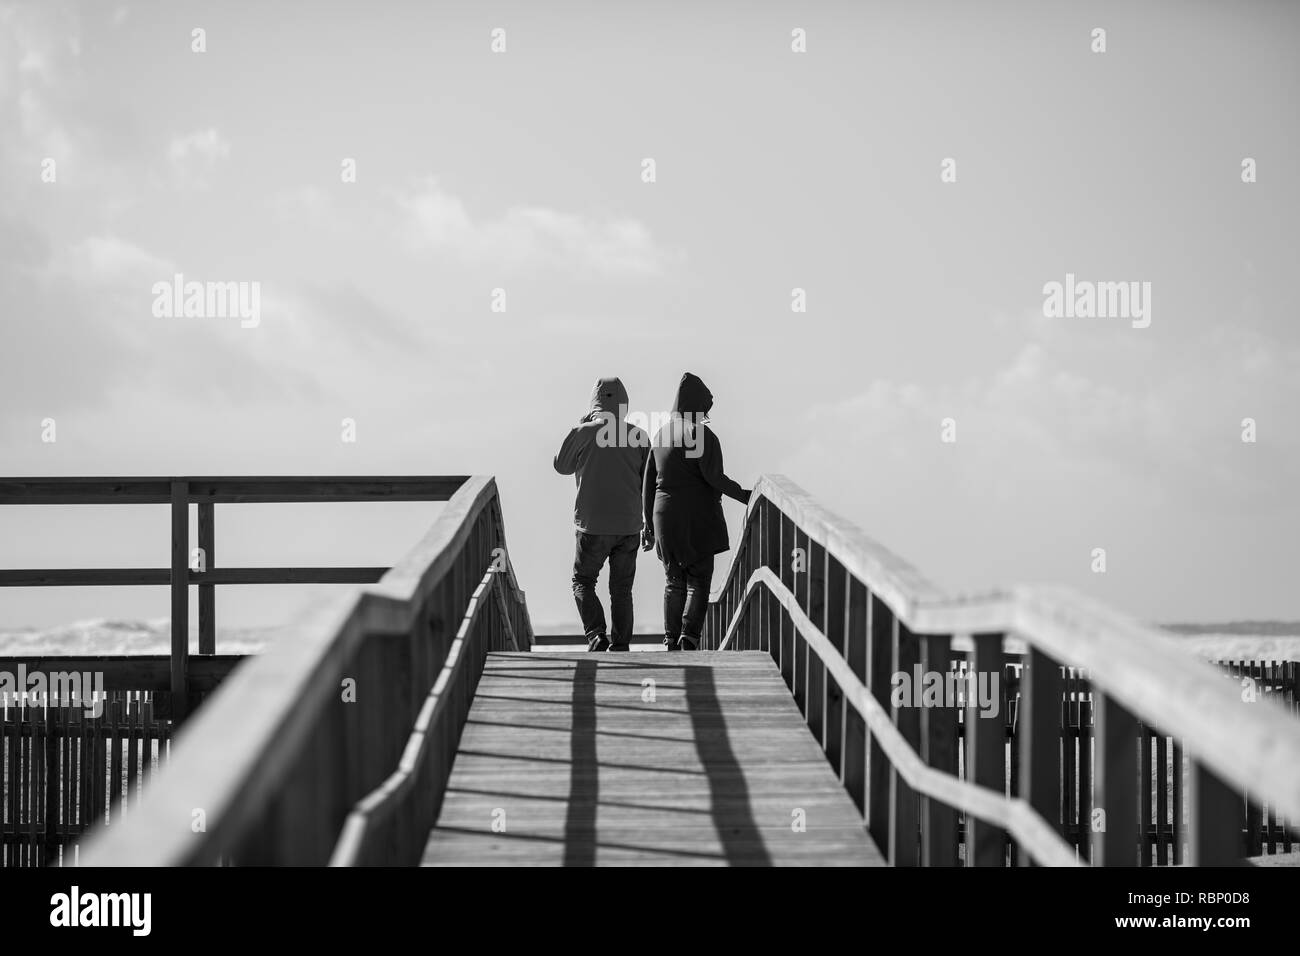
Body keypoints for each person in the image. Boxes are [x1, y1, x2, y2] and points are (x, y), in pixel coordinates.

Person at [642, 372, 751, 651]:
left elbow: (648, 483)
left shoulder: (661, 434)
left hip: (664, 515)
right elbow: (714, 477)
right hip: (696, 518)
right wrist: (746, 497)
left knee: (673, 581)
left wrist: (648, 525)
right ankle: (688, 637)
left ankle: (670, 638)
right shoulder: (699, 434)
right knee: (699, 579)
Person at [554, 377, 650, 652]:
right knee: (622, 590)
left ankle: (596, 634)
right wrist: (650, 526)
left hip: (591, 524)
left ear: (595, 402)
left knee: (583, 580)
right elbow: (649, 481)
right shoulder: (639, 435)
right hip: (629, 524)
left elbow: (561, 466)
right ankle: (621, 645)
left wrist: (583, 425)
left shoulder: (582, 431)